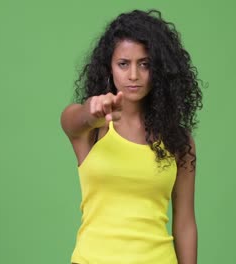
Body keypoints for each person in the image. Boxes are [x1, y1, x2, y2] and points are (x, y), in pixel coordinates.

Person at [60, 9, 203, 264]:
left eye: (144, 64)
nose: (133, 75)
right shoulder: (92, 129)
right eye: (123, 64)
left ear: (159, 70)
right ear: (109, 68)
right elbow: (72, 120)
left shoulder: (177, 141)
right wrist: (92, 113)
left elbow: (184, 224)